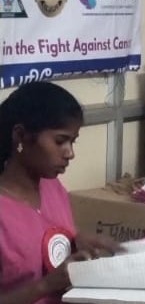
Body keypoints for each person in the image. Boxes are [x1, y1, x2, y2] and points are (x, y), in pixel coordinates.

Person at [0, 81, 121, 304]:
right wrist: (45, 285)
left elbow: (46, 236)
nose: (70, 153)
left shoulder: (52, 188)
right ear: (21, 136)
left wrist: (77, 240)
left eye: (72, 142)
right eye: (60, 141)